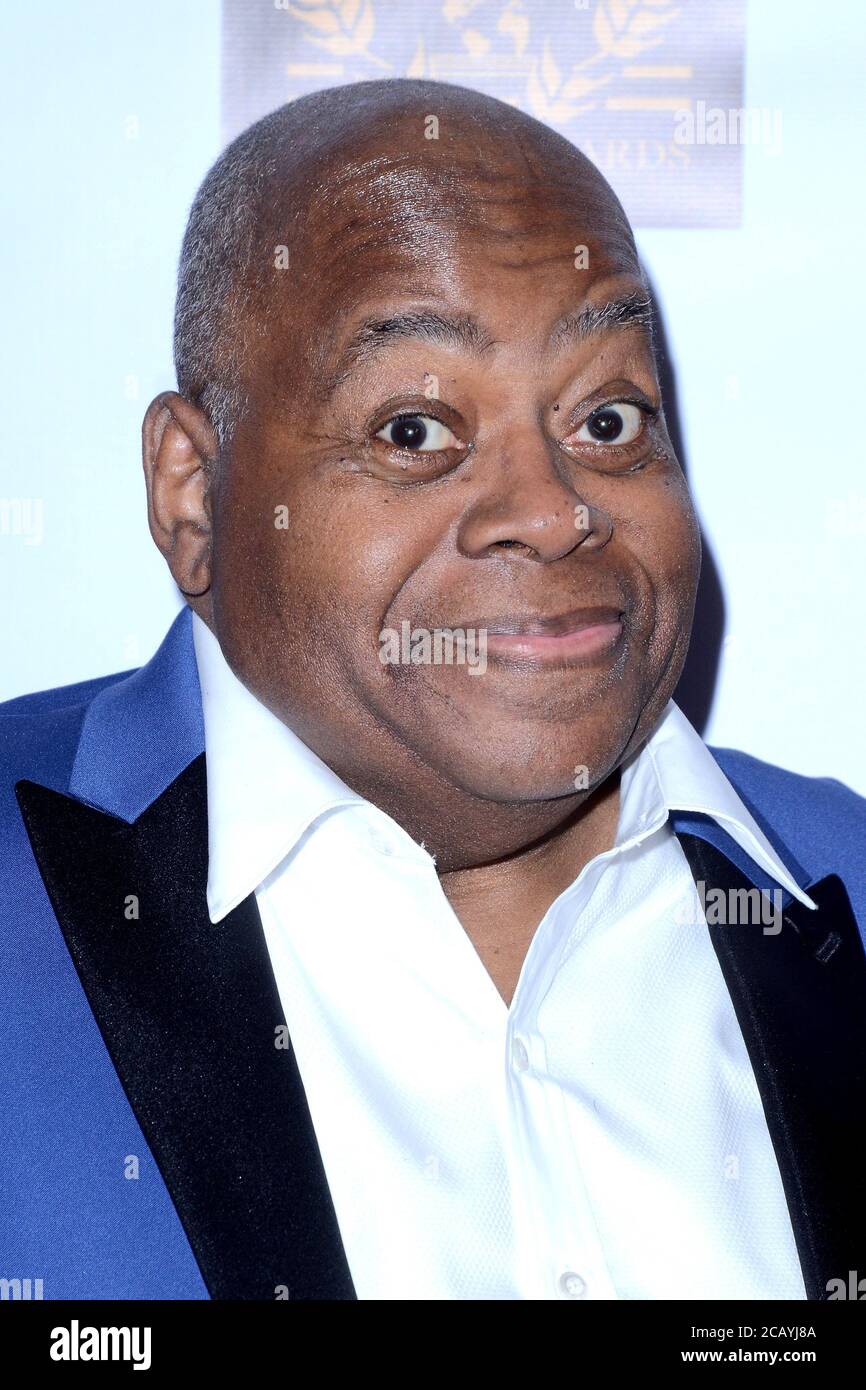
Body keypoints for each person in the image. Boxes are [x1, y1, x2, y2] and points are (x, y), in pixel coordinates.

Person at [2, 78, 865, 1303]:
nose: (554, 508)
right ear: (194, 496)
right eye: (413, 430)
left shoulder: (844, 887)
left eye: (608, 416)